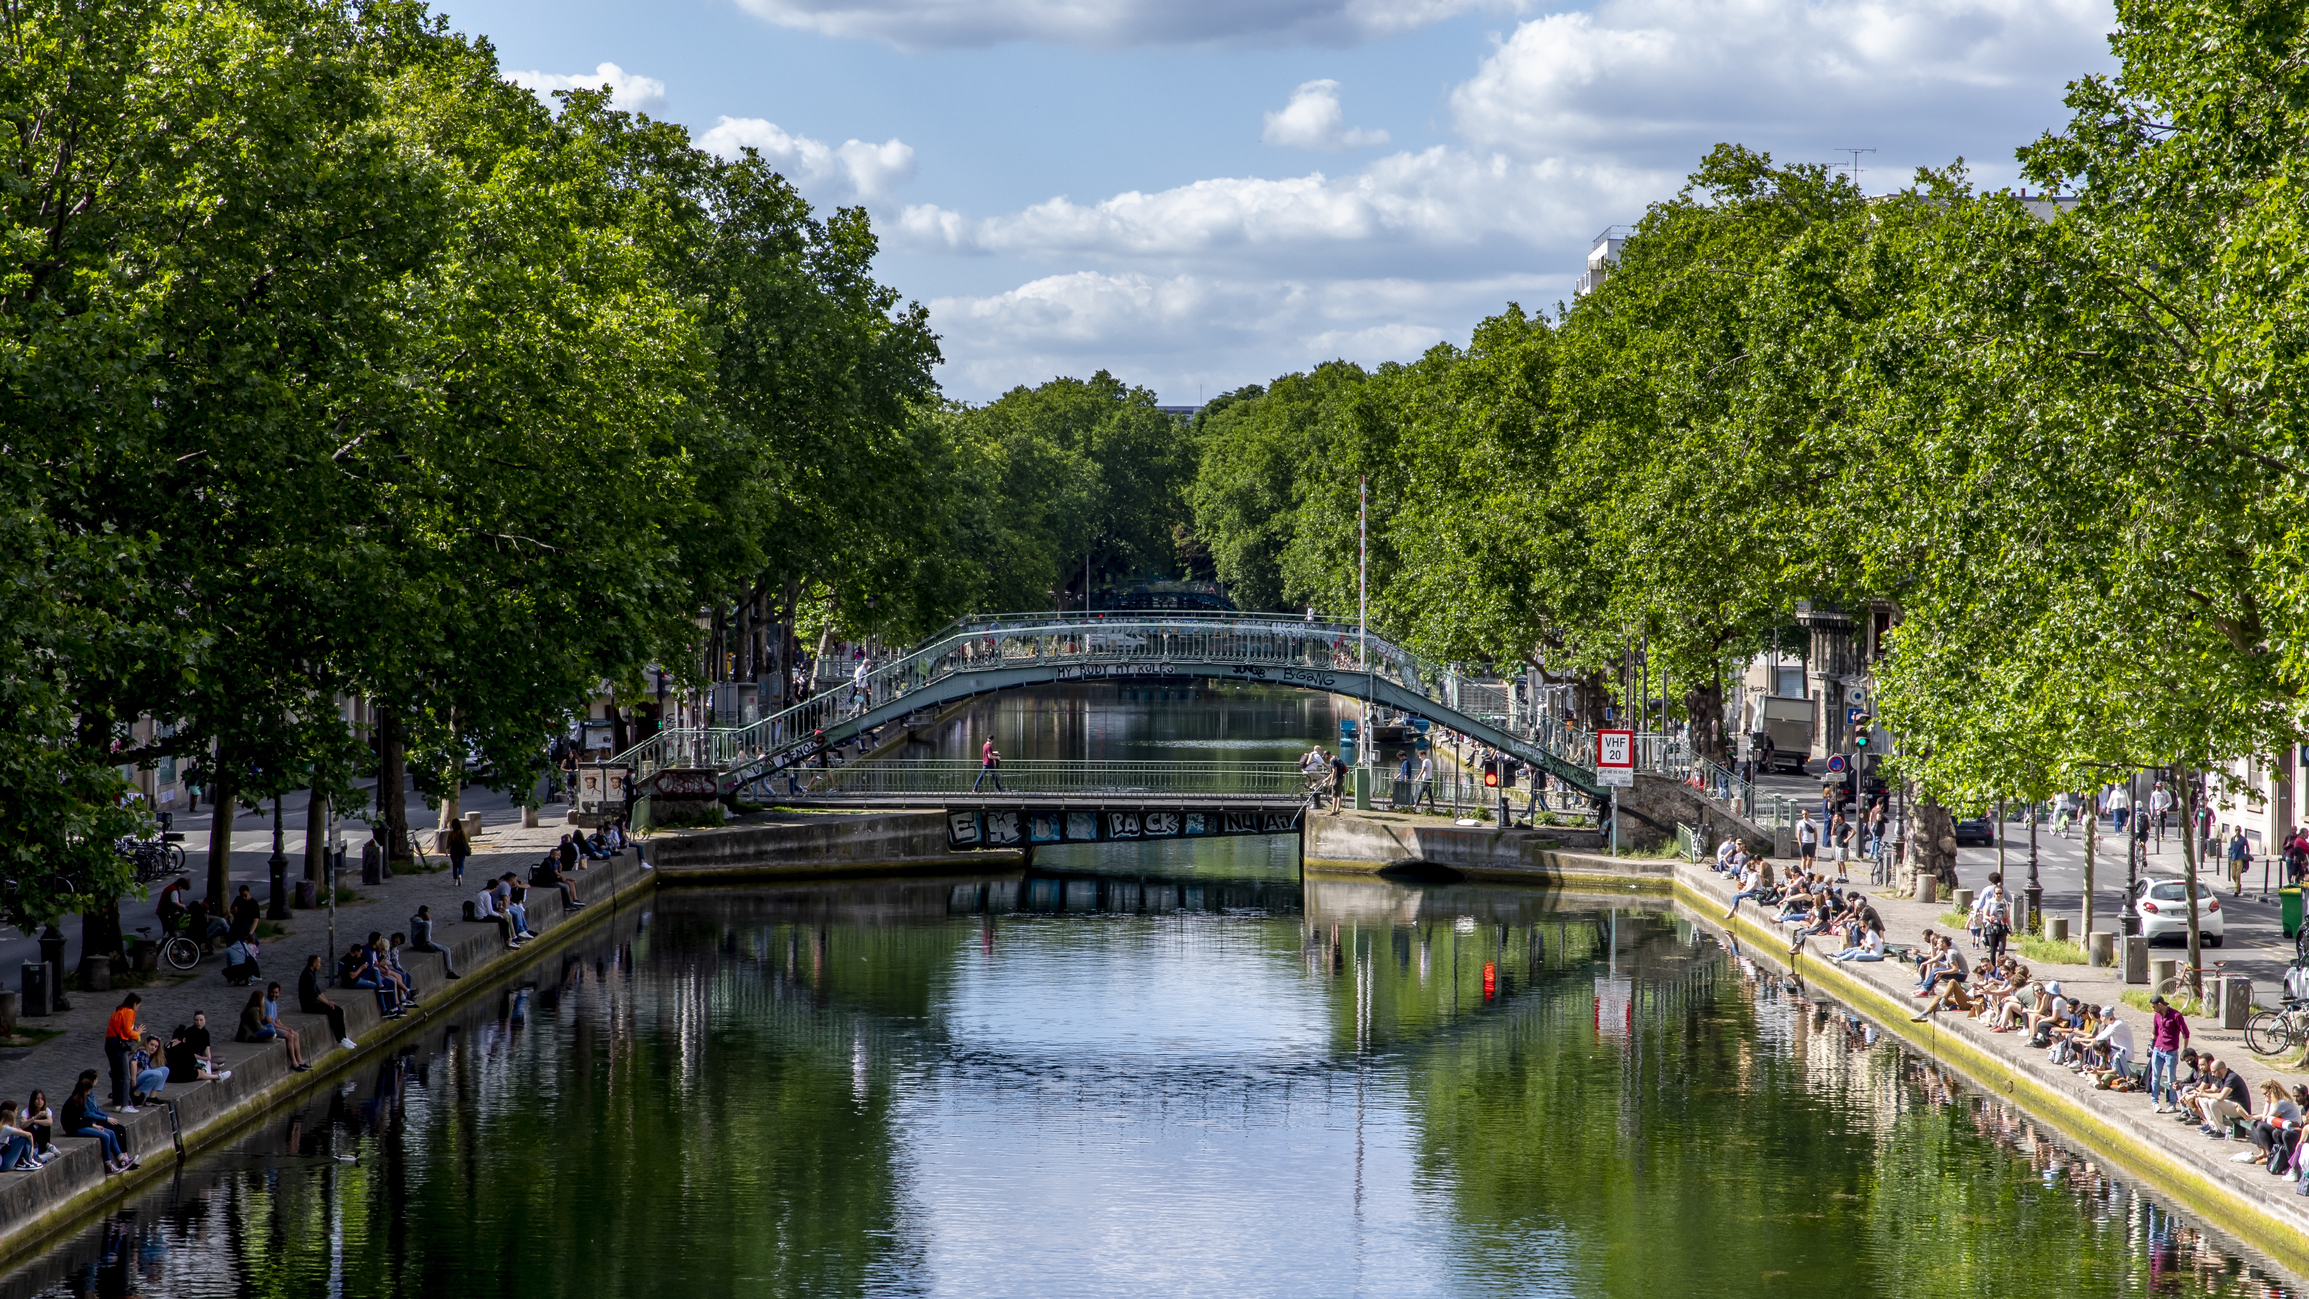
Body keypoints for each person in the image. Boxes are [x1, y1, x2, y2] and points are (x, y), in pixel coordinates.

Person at [62, 1071, 133, 1174]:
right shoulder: (77, 1101)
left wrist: (94, 1124)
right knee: (105, 1136)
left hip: (82, 1124)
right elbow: (79, 1120)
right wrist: (93, 1125)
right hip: (74, 1128)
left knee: (111, 1133)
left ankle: (121, 1159)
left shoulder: (82, 1098)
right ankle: (108, 1164)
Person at [299, 954, 356, 1051]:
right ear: (313, 963)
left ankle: (344, 1037)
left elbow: (318, 991)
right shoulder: (307, 975)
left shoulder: (312, 973)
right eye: (319, 963)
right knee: (332, 1012)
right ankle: (339, 1040)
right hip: (309, 1005)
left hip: (314, 1002)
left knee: (339, 1010)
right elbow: (314, 995)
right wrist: (327, 1003)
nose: (320, 965)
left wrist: (327, 1001)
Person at [255, 982, 310, 1070]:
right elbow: (269, 1022)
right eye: (272, 992)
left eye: (276, 993)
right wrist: (284, 1029)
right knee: (289, 1036)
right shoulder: (267, 1003)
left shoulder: (274, 1003)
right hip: (268, 1028)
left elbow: (276, 1019)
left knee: (296, 1034)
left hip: (274, 1026)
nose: (274, 995)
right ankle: (294, 1062)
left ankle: (300, 1060)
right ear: (269, 991)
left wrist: (286, 1028)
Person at [103, 994, 143, 1112]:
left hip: (110, 1043)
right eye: (138, 1006)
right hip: (118, 1044)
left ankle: (117, 1102)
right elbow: (127, 1031)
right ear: (135, 1004)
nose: (138, 1008)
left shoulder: (118, 1011)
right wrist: (138, 1034)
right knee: (125, 1076)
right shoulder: (129, 1012)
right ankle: (125, 1104)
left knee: (116, 1075)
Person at [408, 906, 463, 978]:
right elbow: (427, 924)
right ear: (424, 913)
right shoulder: (418, 920)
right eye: (428, 913)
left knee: (444, 949)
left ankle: (428, 944)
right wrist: (429, 920)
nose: (429, 915)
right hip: (421, 943)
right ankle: (450, 972)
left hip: (419, 942)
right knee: (446, 950)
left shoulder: (416, 920)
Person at [474, 882, 519, 948]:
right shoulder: (487, 896)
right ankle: (508, 941)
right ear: (495, 887)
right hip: (482, 916)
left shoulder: (482, 893)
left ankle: (511, 938)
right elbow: (490, 911)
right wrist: (499, 915)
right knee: (504, 922)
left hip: (480, 914)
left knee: (503, 920)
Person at [0, 1101, 42, 1171]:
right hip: (4, 1165)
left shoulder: (2, 1127)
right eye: (16, 1110)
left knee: (18, 1137)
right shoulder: (5, 1128)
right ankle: (29, 1160)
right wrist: (31, 1149)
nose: (17, 1112)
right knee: (23, 1139)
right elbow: (29, 1135)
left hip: (3, 1161)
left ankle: (30, 1159)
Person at [129, 1035, 169, 1106]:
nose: (153, 1048)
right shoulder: (143, 1052)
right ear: (146, 1043)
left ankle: (152, 1098)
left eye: (155, 1046)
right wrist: (133, 1080)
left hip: (140, 1079)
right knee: (157, 1074)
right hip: (132, 1081)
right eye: (151, 1045)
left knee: (165, 1070)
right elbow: (133, 1062)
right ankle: (136, 1095)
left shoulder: (148, 1055)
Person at [25, 1090, 55, 1161]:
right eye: (37, 1099)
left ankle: (46, 1149)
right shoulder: (26, 1111)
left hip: (42, 1144)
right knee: (28, 1125)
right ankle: (41, 1156)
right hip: (32, 1145)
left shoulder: (47, 1110)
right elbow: (22, 1125)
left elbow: (50, 1122)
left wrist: (34, 1121)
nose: (40, 1101)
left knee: (45, 1124)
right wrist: (33, 1118)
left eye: (42, 1099)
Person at [445, 819, 471, 884]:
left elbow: (448, 843)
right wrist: (468, 848)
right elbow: (465, 841)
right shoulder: (462, 832)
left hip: (453, 851)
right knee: (461, 865)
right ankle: (460, 875)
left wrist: (447, 850)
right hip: (461, 851)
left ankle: (455, 879)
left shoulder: (451, 833)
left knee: (454, 865)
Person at [1329, 749, 1349, 815]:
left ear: (1327, 755)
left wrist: (1331, 781)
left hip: (1337, 779)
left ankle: (1333, 810)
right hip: (1341, 778)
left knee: (1334, 795)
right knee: (1339, 794)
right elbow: (1332, 772)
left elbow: (1334, 771)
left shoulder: (1333, 761)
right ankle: (1337, 809)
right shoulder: (1336, 760)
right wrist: (1326, 779)